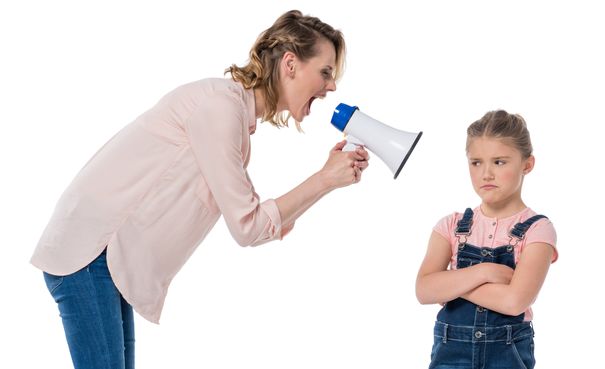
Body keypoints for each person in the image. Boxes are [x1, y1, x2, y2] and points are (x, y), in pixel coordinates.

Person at [31, 10, 369, 369]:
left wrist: (326, 182)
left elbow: (260, 224)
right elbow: (249, 227)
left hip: (109, 260)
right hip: (90, 251)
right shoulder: (220, 107)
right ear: (290, 63)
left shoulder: (234, 118)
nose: (331, 86)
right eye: (326, 72)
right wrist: (324, 179)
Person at [416, 110, 558, 369]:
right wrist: (486, 271)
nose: (486, 174)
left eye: (499, 162)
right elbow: (424, 290)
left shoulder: (538, 230)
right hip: (450, 360)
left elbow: (514, 302)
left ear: (527, 164)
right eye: (476, 162)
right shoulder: (450, 226)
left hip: (507, 359)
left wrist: (452, 284)